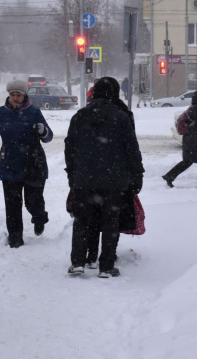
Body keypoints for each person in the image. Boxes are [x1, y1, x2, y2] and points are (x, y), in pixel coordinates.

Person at [65, 76, 144, 278]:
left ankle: (78, 262)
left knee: (82, 221)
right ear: (113, 94)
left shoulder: (79, 116)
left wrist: (72, 174)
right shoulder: (121, 117)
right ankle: (106, 266)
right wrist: (137, 174)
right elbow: (132, 149)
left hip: (84, 179)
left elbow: (70, 147)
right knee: (111, 222)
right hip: (114, 180)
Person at [0, 79, 53, 248]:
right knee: (12, 205)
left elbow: (48, 138)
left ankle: (39, 217)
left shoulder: (34, 112)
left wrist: (43, 130)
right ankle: (15, 237)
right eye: (13, 95)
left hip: (32, 164)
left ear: (24, 95)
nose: (16, 98)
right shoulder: (0, 113)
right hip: (9, 164)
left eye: (19, 95)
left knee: (33, 201)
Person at [162, 87, 197, 189]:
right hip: (194, 139)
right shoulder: (195, 110)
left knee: (188, 161)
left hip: (190, 139)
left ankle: (169, 176)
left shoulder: (194, 108)